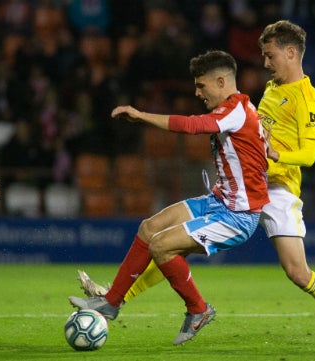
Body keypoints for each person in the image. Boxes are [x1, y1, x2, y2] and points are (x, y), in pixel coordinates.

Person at [75, 20, 315, 347]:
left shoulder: (308, 100)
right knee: (169, 241)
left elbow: (309, 156)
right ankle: (115, 298)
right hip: (243, 187)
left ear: (291, 53)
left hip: (278, 191)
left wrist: (276, 155)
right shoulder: (270, 91)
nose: (265, 63)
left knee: (298, 273)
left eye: (270, 55)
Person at [68, 50, 272, 346]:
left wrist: (141, 115)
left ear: (220, 81)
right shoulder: (237, 110)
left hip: (237, 216)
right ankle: (110, 303)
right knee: (149, 228)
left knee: (161, 246)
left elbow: (192, 126)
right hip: (218, 201)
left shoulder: (236, 110)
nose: (197, 92)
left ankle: (198, 310)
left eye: (201, 86)